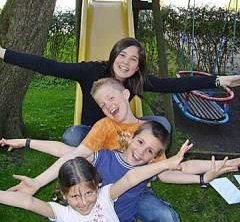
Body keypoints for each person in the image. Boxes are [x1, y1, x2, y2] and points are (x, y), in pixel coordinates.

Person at [1, 37, 240, 146]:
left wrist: (218, 80)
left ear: (138, 65)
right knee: (72, 136)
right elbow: (48, 65)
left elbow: (174, 85)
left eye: (133, 59)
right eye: (122, 55)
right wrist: (3, 54)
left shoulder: (137, 81)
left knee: (161, 125)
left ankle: (132, 158)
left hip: (123, 131)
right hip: (91, 132)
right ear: (114, 55)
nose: (126, 62)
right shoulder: (91, 71)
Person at [1, 121, 239, 222]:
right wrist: (25, 142)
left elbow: (183, 166)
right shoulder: (102, 157)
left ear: (155, 157)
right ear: (131, 138)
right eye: (140, 143)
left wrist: (223, 166)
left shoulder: (144, 171)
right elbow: (66, 151)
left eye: (150, 152)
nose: (142, 153)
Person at [0, 144, 190, 222]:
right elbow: (27, 202)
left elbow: (131, 178)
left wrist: (166, 164)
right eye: (74, 196)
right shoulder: (60, 212)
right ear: (64, 194)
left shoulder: (105, 196)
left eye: (89, 193)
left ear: (97, 186)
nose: (83, 202)